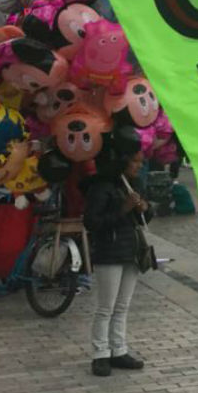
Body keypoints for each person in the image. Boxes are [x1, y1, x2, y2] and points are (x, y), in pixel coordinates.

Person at [83, 149, 150, 378]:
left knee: (122, 306)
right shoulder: (102, 187)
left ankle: (118, 349)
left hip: (131, 251)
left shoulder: (135, 184)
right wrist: (124, 209)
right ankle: (100, 352)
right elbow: (93, 222)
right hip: (109, 251)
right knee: (106, 307)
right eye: (134, 161)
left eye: (140, 162)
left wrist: (144, 209)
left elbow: (143, 220)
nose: (138, 166)